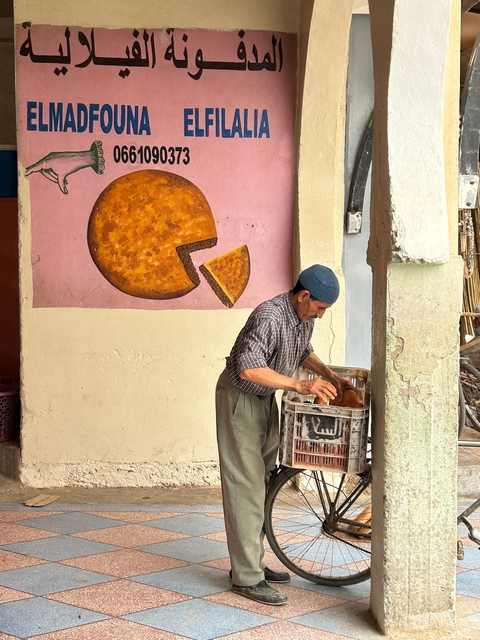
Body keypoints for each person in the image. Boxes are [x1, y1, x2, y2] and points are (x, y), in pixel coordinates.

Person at [215, 264, 355, 606]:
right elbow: (249, 367)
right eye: (319, 308)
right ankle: (246, 577)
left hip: (265, 397)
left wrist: (332, 377)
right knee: (245, 485)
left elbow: (303, 353)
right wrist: (299, 384)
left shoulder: (301, 319)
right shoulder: (269, 316)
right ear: (303, 295)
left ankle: (253, 565)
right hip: (240, 397)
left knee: (262, 480)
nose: (320, 316)